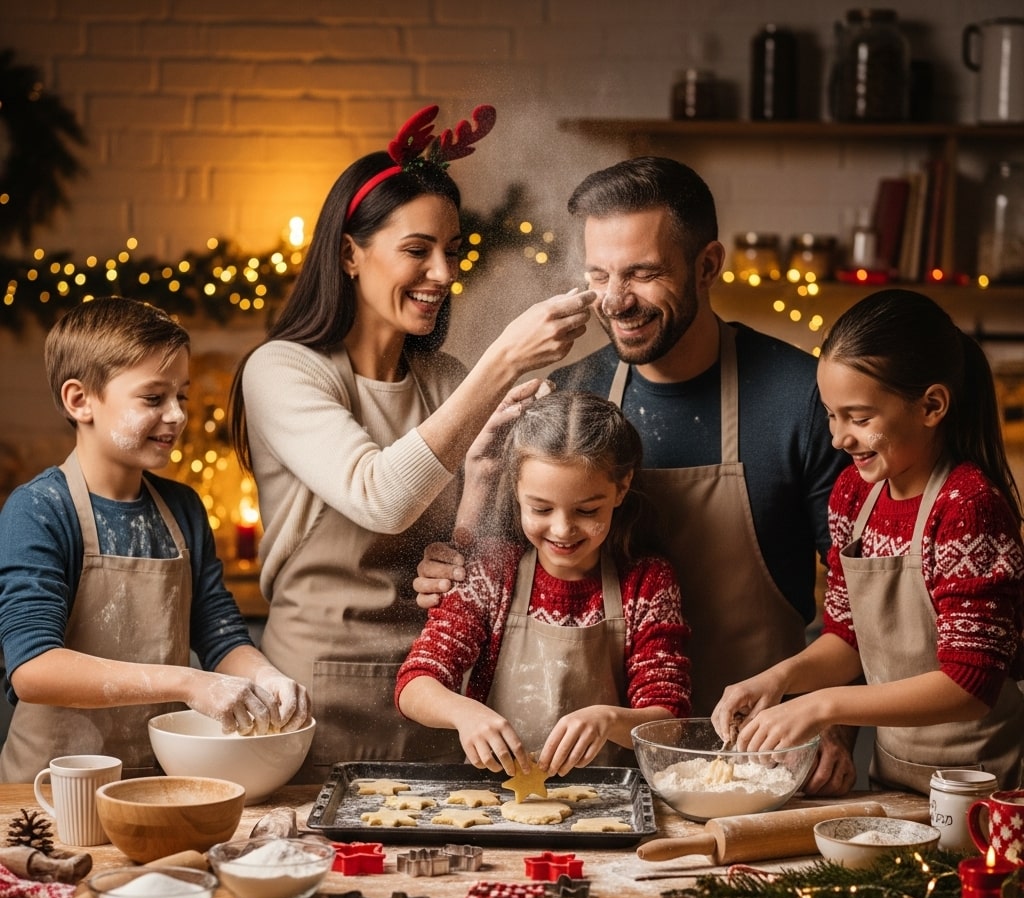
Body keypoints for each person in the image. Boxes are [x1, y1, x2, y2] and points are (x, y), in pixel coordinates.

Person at [415, 156, 854, 795]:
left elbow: (857, 596)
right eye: (599, 275)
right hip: (597, 779)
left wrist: (833, 724)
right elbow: (500, 558)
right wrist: (452, 556)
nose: (616, 301)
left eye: (643, 274)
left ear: (707, 266)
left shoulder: (799, 398)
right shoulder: (568, 396)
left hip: (759, 758)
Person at [228, 104, 594, 780]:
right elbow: (380, 496)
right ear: (348, 253)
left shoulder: (444, 380)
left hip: (437, 694)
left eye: (453, 252)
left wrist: (458, 550)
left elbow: (493, 541)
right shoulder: (282, 370)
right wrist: (505, 361)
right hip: (316, 703)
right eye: (418, 251)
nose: (444, 275)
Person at [712, 289, 1024, 795]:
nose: (839, 438)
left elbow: (970, 684)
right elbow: (848, 638)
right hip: (896, 782)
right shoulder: (854, 494)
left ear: (931, 406)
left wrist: (821, 704)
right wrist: (777, 680)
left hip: (985, 790)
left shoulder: (968, 507)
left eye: (860, 419)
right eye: (832, 416)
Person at [0, 297, 311, 783]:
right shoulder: (39, 510)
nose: (177, 415)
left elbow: (220, 633)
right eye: (153, 398)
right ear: (79, 400)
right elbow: (33, 668)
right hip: (53, 791)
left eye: (181, 396)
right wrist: (187, 682)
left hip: (156, 783)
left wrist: (263, 675)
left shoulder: (182, 509)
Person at [396, 389, 691, 778]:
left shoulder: (647, 582)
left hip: (609, 798)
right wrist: (463, 712)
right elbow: (415, 682)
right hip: (490, 801)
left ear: (621, 488)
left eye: (587, 510)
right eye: (541, 508)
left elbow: (669, 722)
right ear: (516, 490)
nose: (563, 529)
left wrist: (607, 719)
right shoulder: (492, 572)